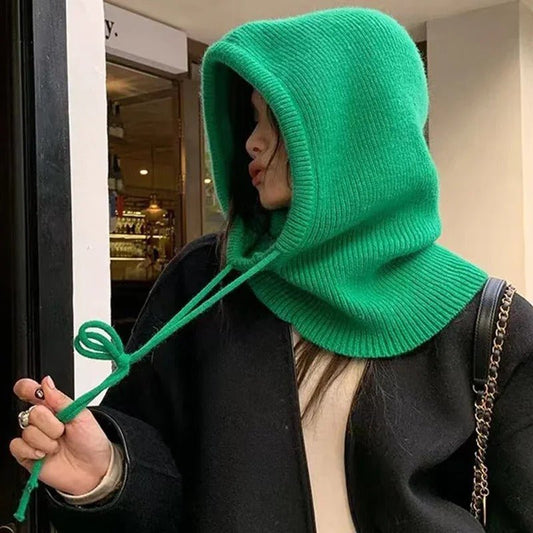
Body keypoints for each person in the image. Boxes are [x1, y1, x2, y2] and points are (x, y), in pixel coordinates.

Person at [9, 7, 533, 533]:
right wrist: (106, 474)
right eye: (252, 117)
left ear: (351, 126)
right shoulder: (206, 283)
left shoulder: (490, 326)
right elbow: (163, 477)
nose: (251, 142)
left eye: (273, 118)